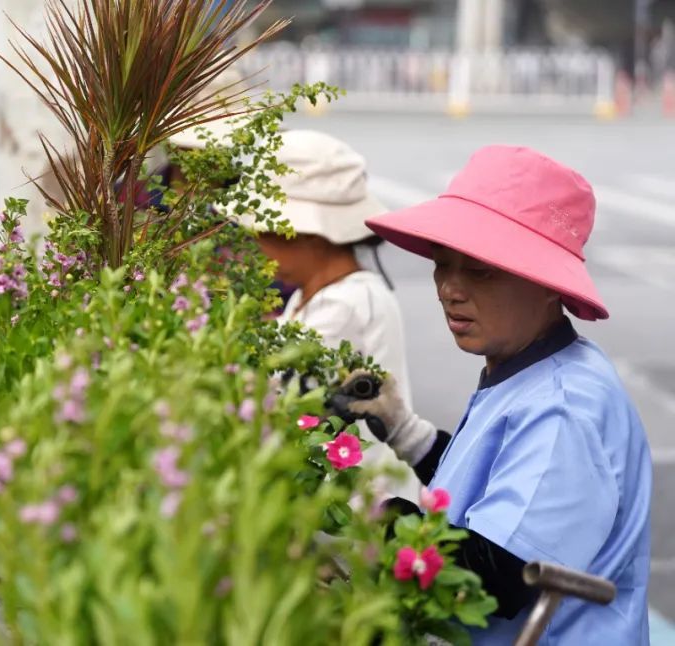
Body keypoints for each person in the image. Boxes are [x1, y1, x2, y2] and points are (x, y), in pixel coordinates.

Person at [338, 145, 651, 644]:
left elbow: (498, 571)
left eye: (480, 270)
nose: (449, 289)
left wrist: (356, 511)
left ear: (548, 284)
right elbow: (489, 491)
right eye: (442, 263)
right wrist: (407, 433)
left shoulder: (565, 407)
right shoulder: (528, 366)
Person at [241, 129, 420, 502]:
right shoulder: (316, 293)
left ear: (308, 234)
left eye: (265, 231)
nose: (257, 245)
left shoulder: (345, 305)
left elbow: (275, 394)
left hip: (360, 506)